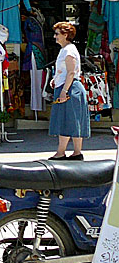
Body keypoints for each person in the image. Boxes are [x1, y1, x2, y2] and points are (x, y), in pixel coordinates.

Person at [48, 22, 89, 160]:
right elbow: (66, 71)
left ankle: (61, 152)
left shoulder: (69, 50)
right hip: (70, 87)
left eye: (57, 34)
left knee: (65, 120)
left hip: (70, 89)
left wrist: (64, 90)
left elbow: (71, 72)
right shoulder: (67, 49)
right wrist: (56, 79)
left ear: (65, 35)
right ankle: (77, 153)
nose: (55, 37)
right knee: (74, 120)